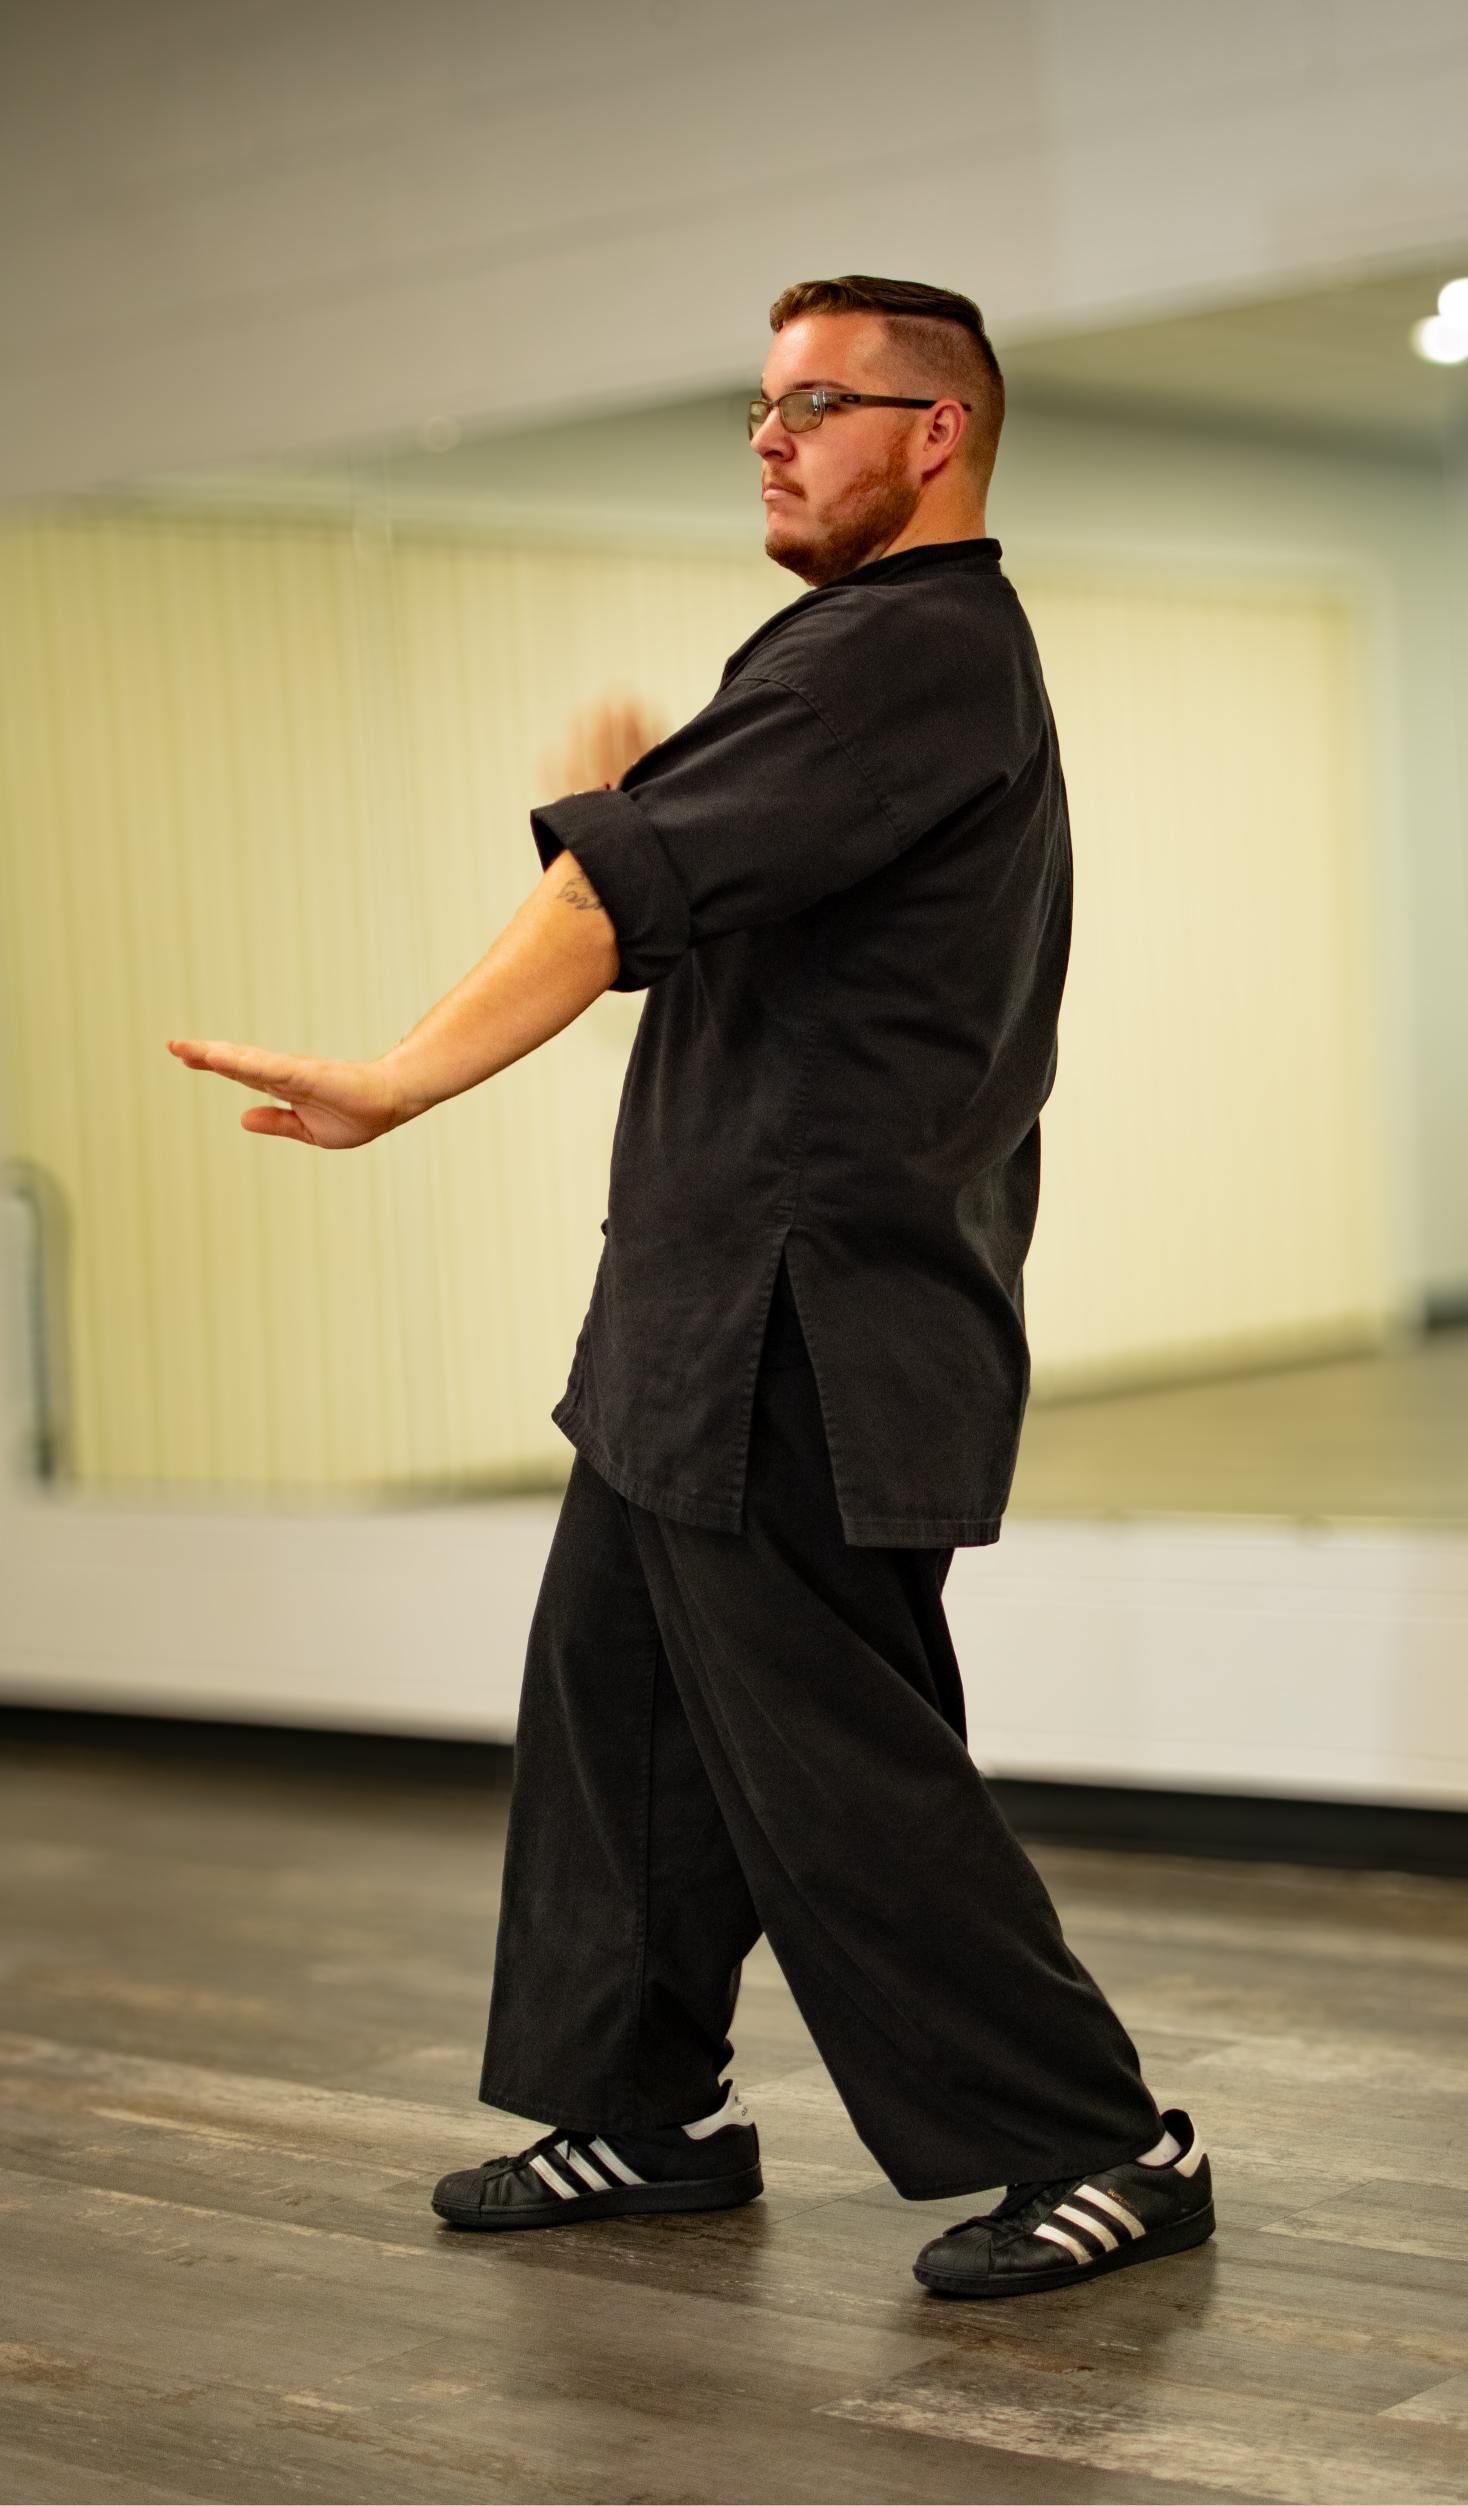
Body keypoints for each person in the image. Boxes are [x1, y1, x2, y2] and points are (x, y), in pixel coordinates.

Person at [167, 273, 1215, 2300]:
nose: (768, 432)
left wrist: (393, 1075)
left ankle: (1102, 2140)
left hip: (800, 1322)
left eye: (815, 402)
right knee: (616, 1721)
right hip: (691, 1307)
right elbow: (702, 930)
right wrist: (664, 823)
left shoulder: (908, 648)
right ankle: (636, 2110)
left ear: (935, 432)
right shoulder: (851, 657)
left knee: (838, 1760)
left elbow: (603, 891)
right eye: (757, 403)